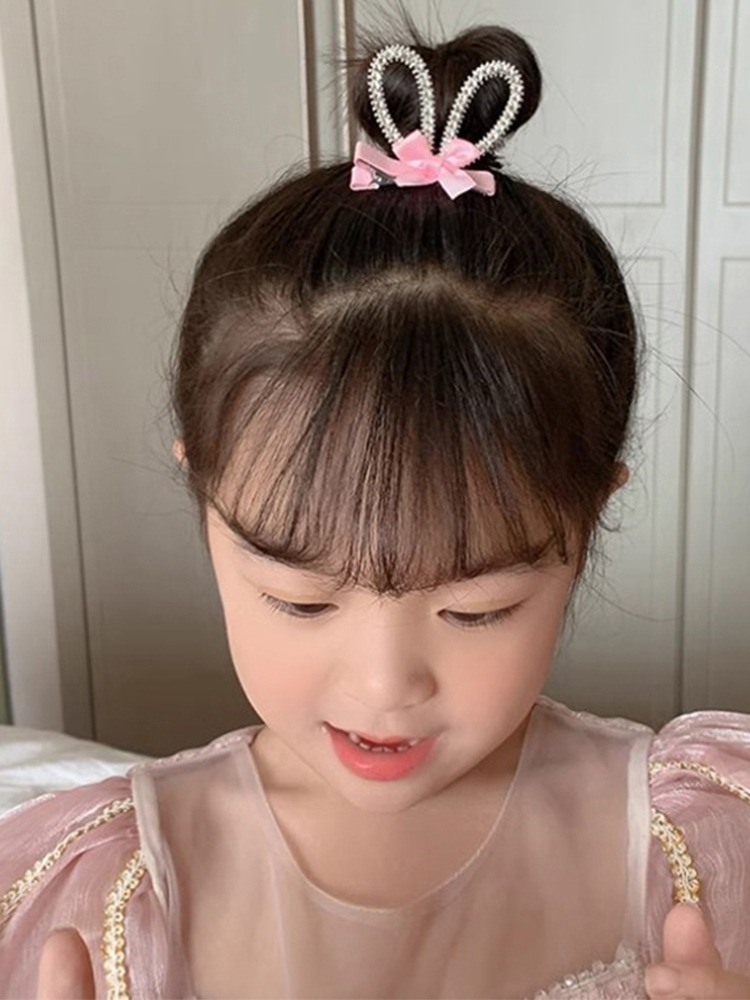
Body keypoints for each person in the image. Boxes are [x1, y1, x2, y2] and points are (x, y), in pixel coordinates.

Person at [1, 21, 749, 1000]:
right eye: (301, 599)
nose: (384, 684)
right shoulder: (99, 894)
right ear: (204, 502)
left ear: (591, 519)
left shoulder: (696, 846)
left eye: (477, 610)